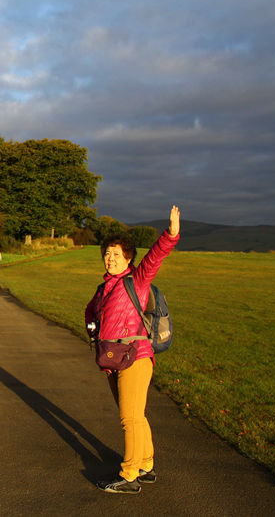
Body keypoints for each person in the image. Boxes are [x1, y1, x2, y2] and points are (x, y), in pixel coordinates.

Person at [85, 205, 180, 494]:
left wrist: (171, 234)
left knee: (130, 418)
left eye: (116, 254)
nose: (110, 258)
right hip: (112, 358)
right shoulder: (103, 289)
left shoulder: (135, 281)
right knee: (137, 415)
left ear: (128, 259)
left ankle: (128, 476)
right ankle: (146, 464)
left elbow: (155, 258)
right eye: (107, 253)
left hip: (135, 357)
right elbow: (90, 313)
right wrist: (92, 332)